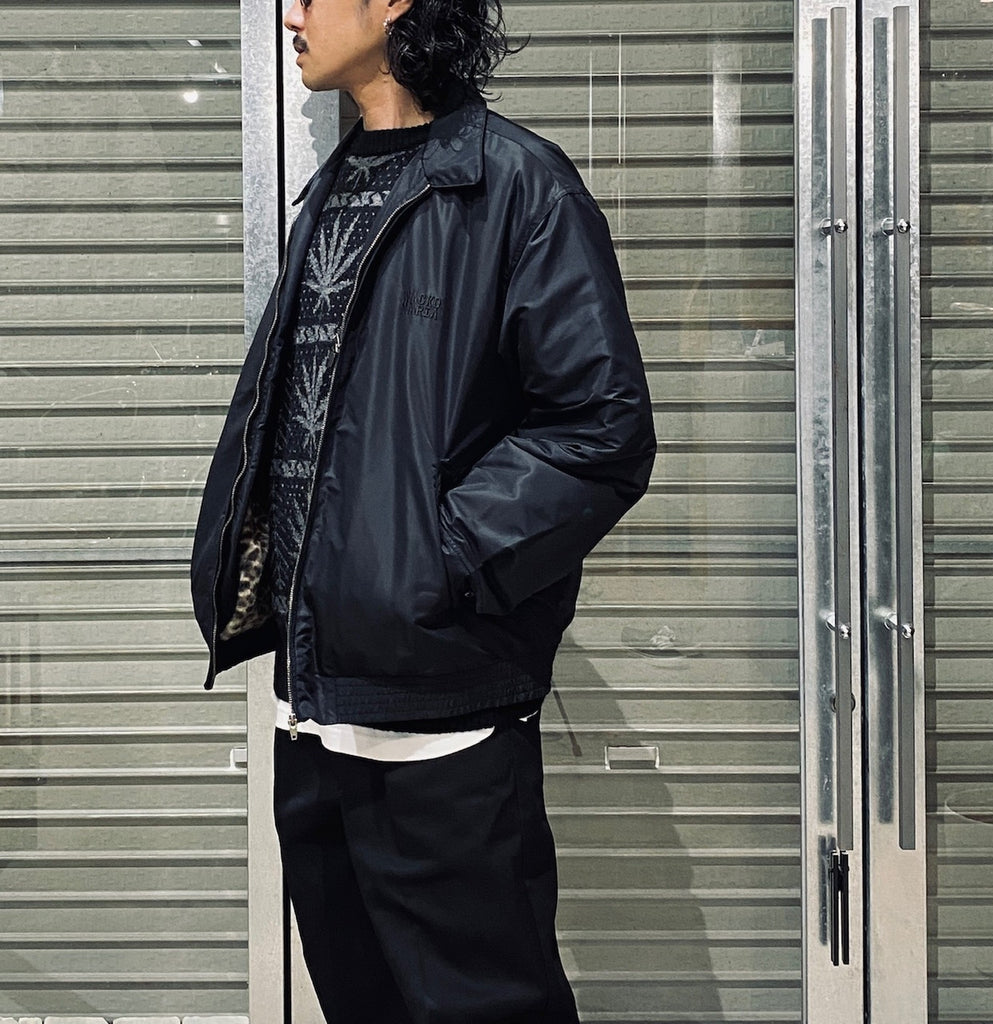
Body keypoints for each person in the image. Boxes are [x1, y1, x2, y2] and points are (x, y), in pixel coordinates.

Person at [190, 0, 656, 1018]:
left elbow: (599, 429)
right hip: (314, 718)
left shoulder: (515, 184)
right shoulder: (334, 186)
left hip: (441, 729)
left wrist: (438, 560)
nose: (292, 15)